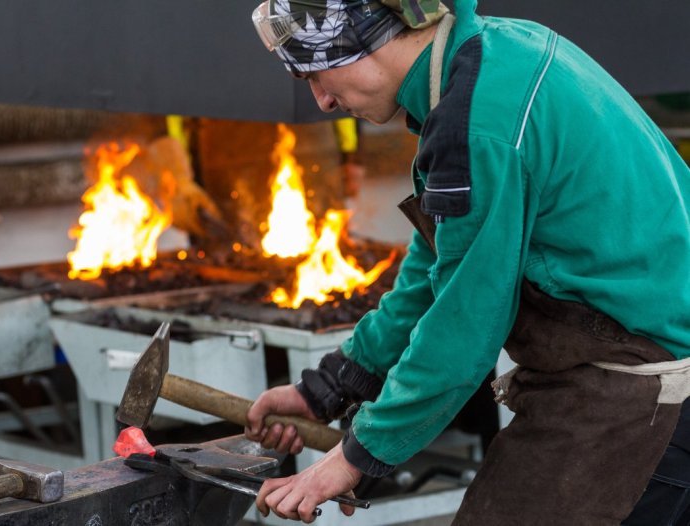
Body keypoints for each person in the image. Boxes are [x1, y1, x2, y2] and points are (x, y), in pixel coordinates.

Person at [244, 0, 690, 524]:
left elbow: (467, 323)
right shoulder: (488, 53)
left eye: (320, 70)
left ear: (375, 32)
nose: (321, 100)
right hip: (632, 371)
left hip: (642, 396)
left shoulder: (478, 122)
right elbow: (437, 267)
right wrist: (331, 385)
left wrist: (356, 456)